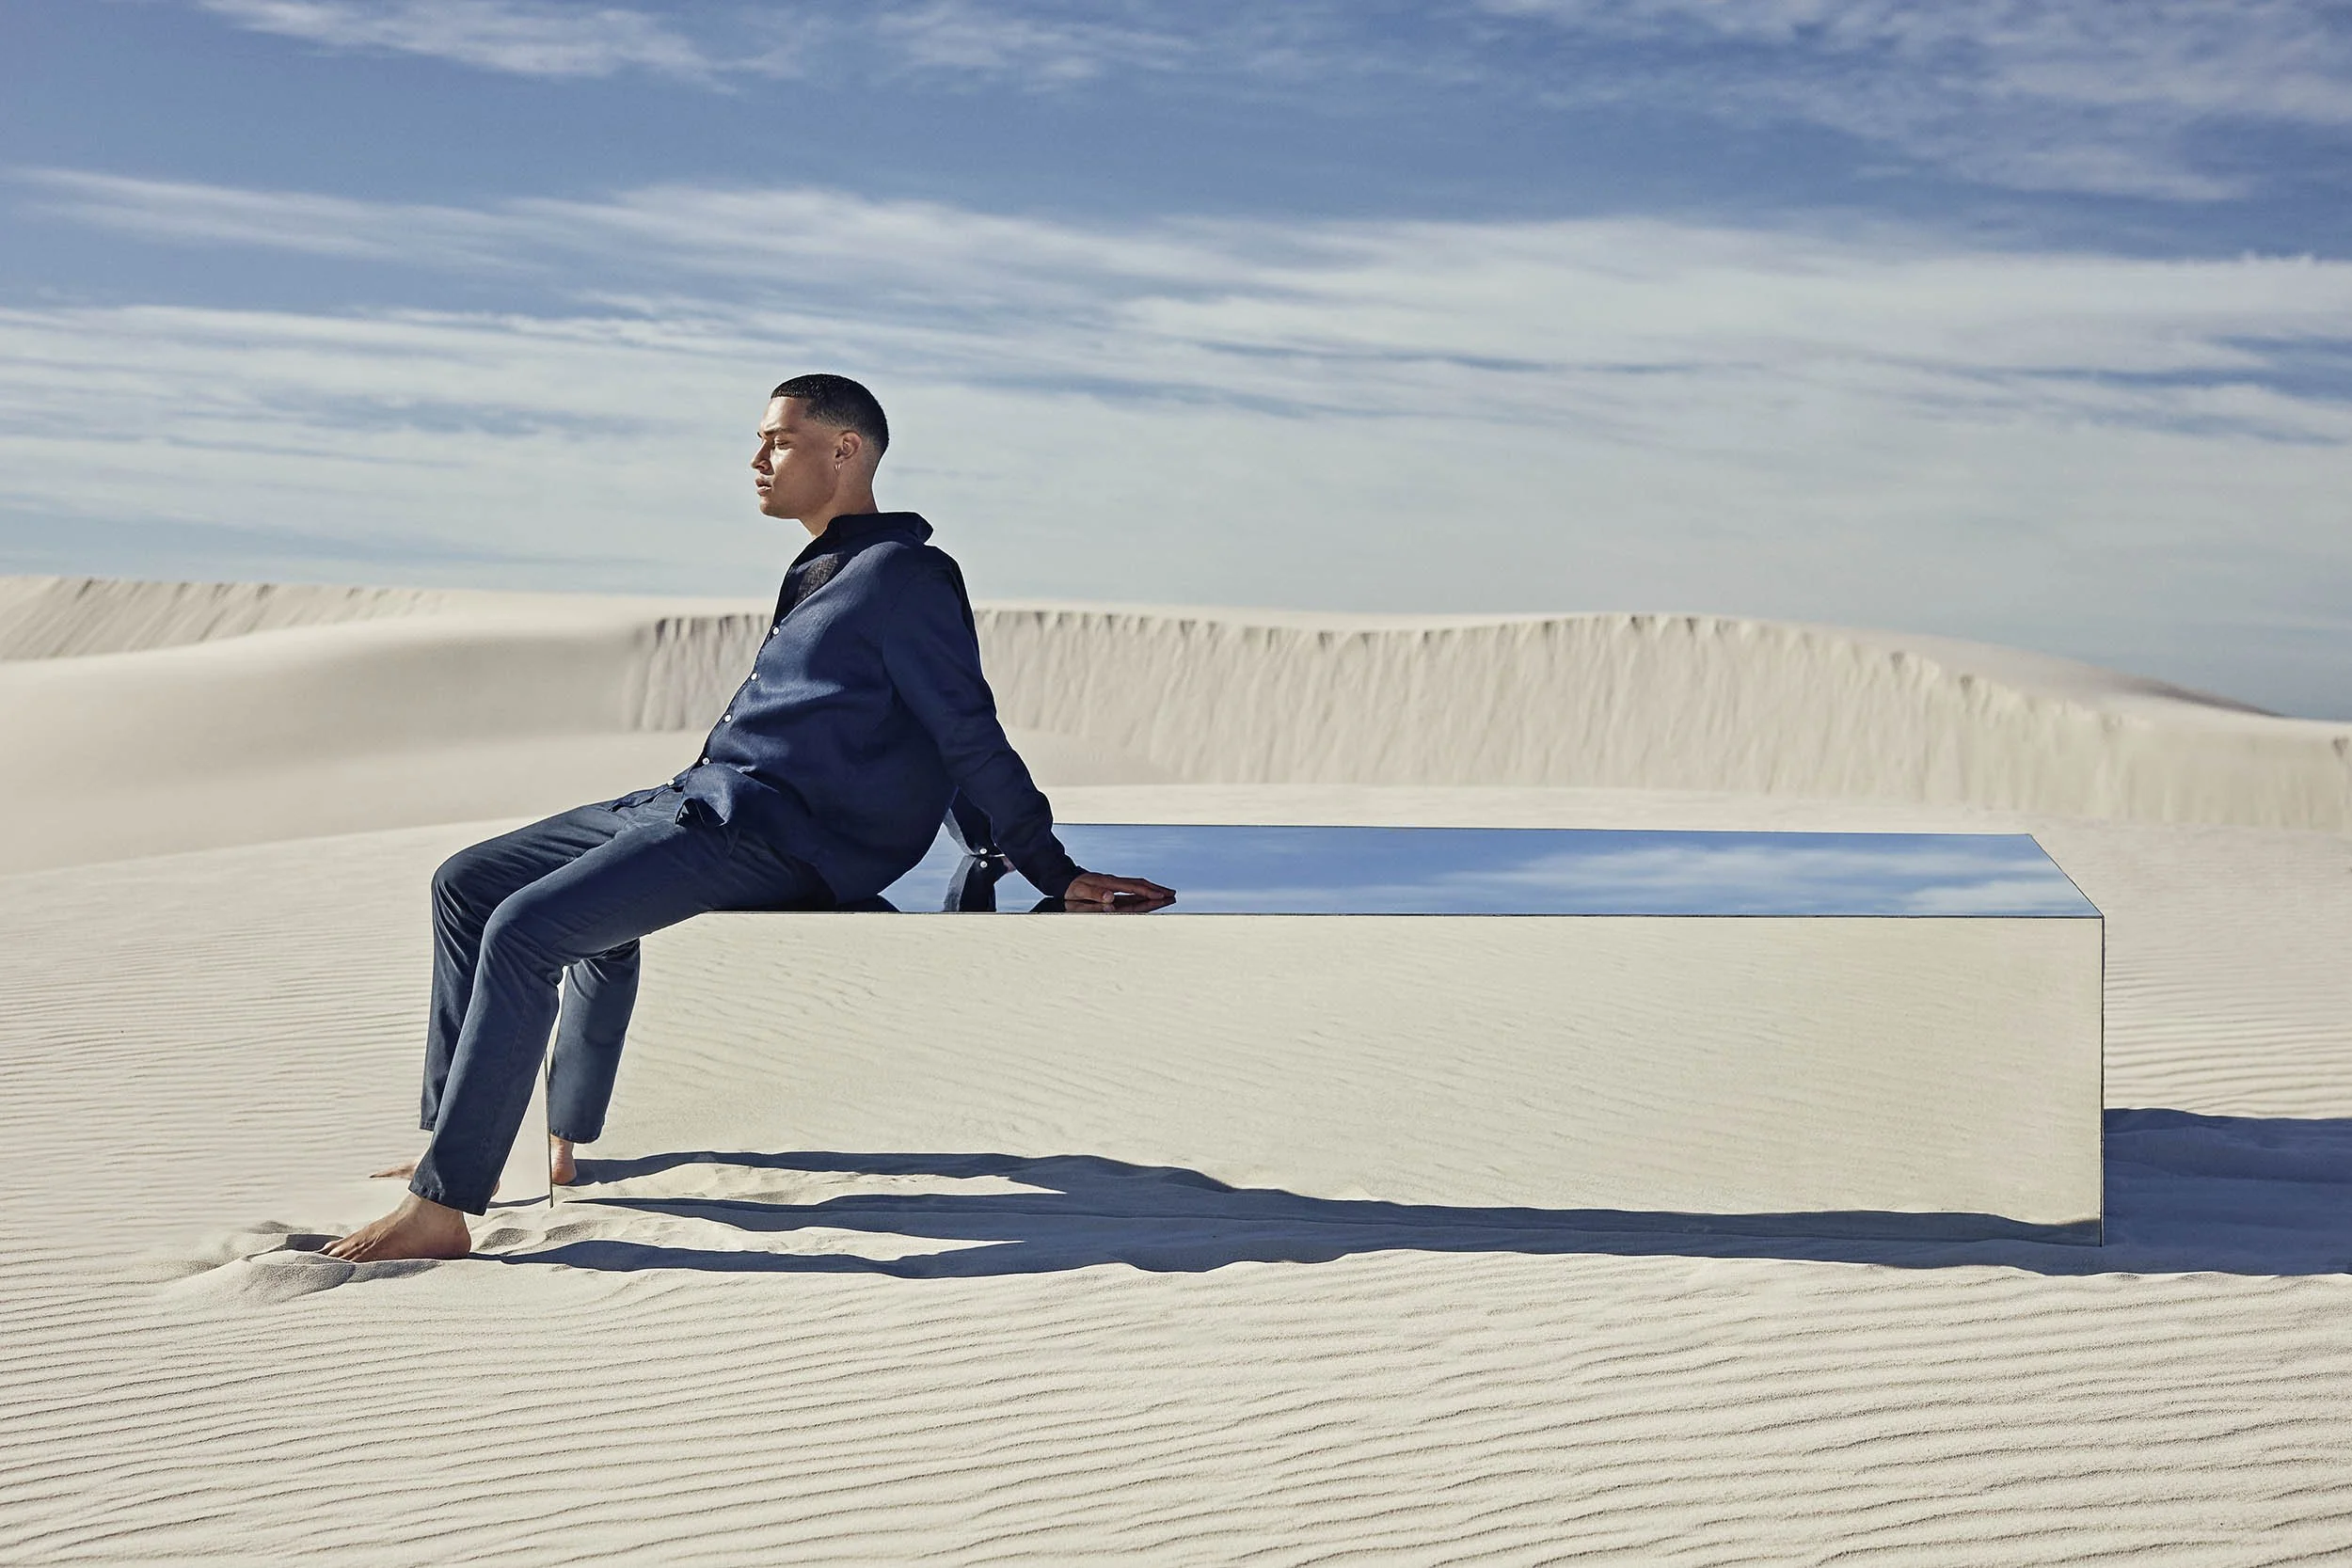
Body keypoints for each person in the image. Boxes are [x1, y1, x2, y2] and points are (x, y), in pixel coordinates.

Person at [326, 374, 1174, 1262]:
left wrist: (1045, 864)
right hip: (702, 799)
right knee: (468, 883)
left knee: (527, 928)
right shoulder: (829, 566)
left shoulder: (908, 575)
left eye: (779, 440)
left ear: (845, 450)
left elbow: (960, 725)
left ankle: (443, 1207)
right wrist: (984, 840)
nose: (758, 458)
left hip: (783, 834)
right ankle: (506, 1137)